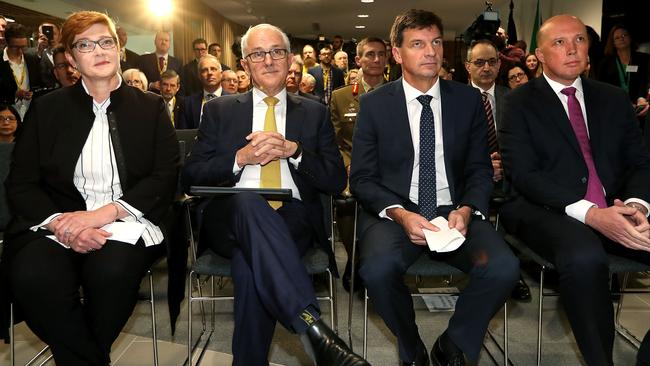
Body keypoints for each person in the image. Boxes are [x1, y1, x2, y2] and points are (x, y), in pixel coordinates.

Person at [182, 23, 368, 366]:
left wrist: (294, 151)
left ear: (289, 59)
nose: (267, 60)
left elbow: (334, 178)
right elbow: (190, 175)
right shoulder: (221, 110)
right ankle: (313, 327)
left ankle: (291, 342)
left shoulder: (313, 111)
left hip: (292, 216)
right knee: (247, 200)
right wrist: (240, 159)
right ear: (245, 64)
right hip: (229, 216)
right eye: (257, 54)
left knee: (249, 265)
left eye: (276, 52)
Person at [2, 10, 179, 365]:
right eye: (85, 44)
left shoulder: (151, 107)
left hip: (125, 222)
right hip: (58, 223)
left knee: (111, 274)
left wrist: (100, 215)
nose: (98, 51)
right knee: (31, 274)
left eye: (106, 42)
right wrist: (61, 224)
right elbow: (21, 183)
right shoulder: (47, 109)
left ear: (119, 49)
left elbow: (165, 175)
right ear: (70, 58)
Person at [350, 9, 519, 366]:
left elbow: (478, 168)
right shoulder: (375, 104)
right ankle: (411, 347)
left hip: (454, 212)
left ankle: (453, 344)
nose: (431, 51)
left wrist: (467, 209)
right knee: (377, 270)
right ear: (397, 54)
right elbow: (361, 178)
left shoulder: (466, 100)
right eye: (417, 44)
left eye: (436, 42)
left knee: (503, 267)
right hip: (396, 213)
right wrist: (400, 214)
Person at [498, 14, 650, 366]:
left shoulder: (613, 98)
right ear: (540, 53)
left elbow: (640, 163)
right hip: (545, 209)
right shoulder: (519, 103)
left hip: (616, 206)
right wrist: (592, 214)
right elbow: (523, 174)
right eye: (559, 42)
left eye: (579, 40)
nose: (571, 49)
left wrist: (637, 205)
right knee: (584, 257)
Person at [329, 36, 387, 292]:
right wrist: (349, 165)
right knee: (346, 201)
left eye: (381, 54)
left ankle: (379, 261)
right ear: (358, 60)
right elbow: (333, 140)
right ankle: (355, 260)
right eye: (370, 54)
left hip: (389, 169)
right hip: (353, 168)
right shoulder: (341, 97)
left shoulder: (399, 92)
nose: (376, 60)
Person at [597, 25, 649, 118]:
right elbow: (602, 87)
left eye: (624, 35)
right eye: (617, 37)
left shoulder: (644, 59)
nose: (621, 38)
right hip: (614, 108)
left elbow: (646, 81)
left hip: (639, 107)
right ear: (613, 42)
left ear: (630, 38)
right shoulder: (605, 63)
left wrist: (641, 99)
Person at [0, 23, 44, 117]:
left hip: (31, 113)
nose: (20, 51)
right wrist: (13, 94)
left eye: (23, 47)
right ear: (6, 43)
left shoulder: (32, 59)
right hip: (6, 117)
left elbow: (39, 84)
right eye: (15, 47)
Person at [181, 54, 223, 129]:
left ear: (221, 73)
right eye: (204, 70)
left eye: (213, 69)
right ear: (199, 76)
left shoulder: (234, 102)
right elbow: (184, 136)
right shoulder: (188, 104)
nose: (209, 73)